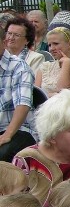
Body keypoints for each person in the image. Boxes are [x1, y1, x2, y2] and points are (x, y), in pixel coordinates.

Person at [0, 29, 37, 162]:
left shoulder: (19, 68)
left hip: (18, 130)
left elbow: (23, 104)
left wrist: (7, 135)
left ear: (4, 43)